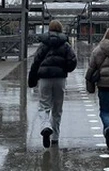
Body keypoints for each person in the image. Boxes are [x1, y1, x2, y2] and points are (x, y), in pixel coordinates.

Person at [29, 20, 77, 148]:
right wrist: (65, 68)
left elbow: (36, 61)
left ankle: (45, 126)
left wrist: (32, 78)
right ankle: (55, 137)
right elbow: (72, 61)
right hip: (60, 78)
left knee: (44, 105)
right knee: (57, 108)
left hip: (44, 78)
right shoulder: (65, 45)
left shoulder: (43, 44)